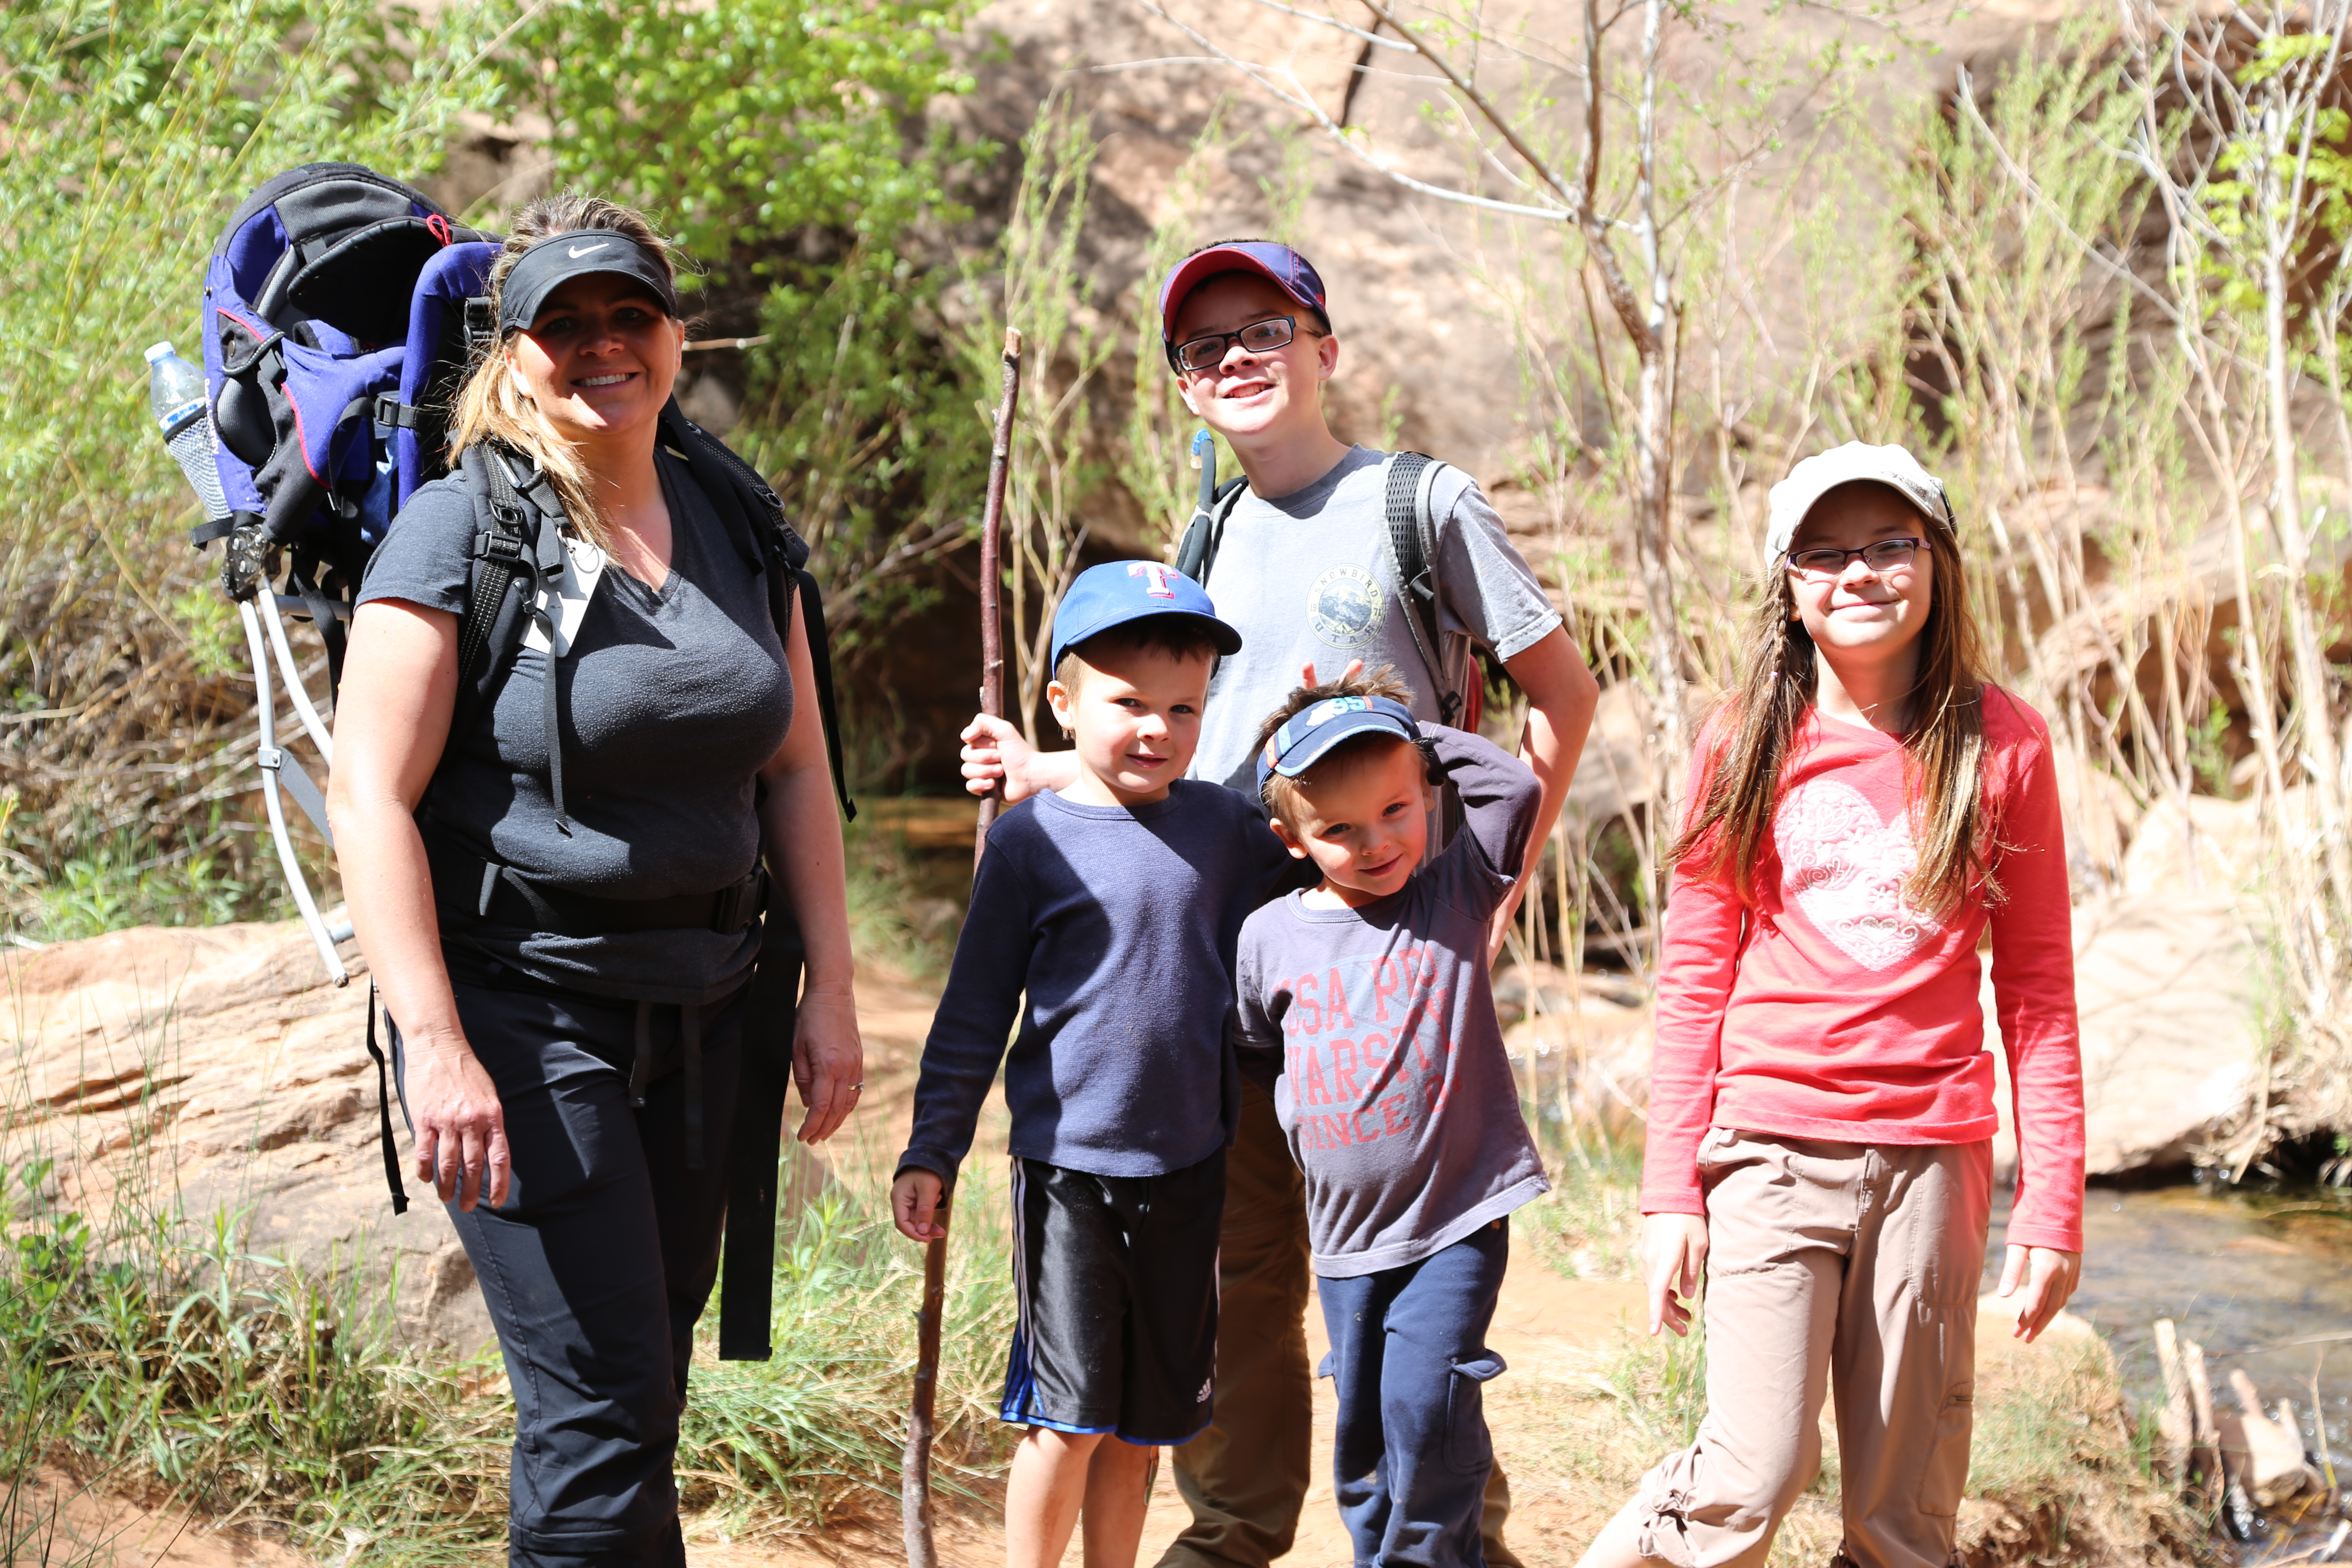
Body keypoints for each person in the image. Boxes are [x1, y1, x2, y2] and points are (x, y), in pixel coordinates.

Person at [961, 238, 1600, 1568]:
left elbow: (1565, 694)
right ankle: (1237, 1532)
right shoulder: (1211, 534)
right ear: (1186, 388)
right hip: (1232, 954)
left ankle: (1450, 1540)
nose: (1238, 359)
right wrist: (1048, 768)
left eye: (1266, 328)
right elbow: (1190, 746)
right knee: (1241, 1263)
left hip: (1386, 954)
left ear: (1326, 346)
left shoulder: (1419, 505)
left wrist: (1491, 885)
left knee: (1413, 1264)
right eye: (1205, 347)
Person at [327, 193, 863, 1568]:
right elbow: (369, 795)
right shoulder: (457, 534)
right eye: (562, 324)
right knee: (604, 1413)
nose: (602, 346)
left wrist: (832, 996)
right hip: (527, 1017)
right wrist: (437, 1047)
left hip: (710, 1011)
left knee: (635, 1394)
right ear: (510, 359)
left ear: (676, 337)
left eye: (631, 315)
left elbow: (798, 770)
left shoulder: (737, 516)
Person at [1574, 444, 2087, 1568]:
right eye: (1826, 553)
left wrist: (2053, 1201)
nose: (1860, 574)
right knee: (1749, 1476)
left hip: (1930, 1161)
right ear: (1789, 586)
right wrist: (1672, 1192)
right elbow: (1696, 973)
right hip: (1768, 1151)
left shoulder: (2004, 745)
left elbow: (2039, 986)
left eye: (1893, 544)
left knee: (1903, 1516)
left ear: (1941, 563)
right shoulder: (1745, 739)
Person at [893, 562, 1302, 1568]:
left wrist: (1343, 724)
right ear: (1063, 704)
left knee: (1145, 1422)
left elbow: (1330, 849)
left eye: (1184, 708)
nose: (1158, 728)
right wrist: (932, 1149)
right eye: (1129, 703)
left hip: (1192, 1166)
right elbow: (975, 1011)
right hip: (1071, 1172)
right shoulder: (1032, 844)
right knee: (1069, 1418)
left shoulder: (1227, 830)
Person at [1236, 669, 1551, 1567]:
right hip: (1344, 1237)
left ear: (1425, 796)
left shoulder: (1455, 896)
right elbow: (1258, 1051)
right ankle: (1388, 1552)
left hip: (1456, 1214)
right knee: (1364, 1426)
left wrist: (1401, 728)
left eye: (1397, 810)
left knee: (1431, 1396)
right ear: (1290, 838)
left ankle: (1423, 1558)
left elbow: (1514, 788)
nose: (1376, 844)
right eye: (1339, 829)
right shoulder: (1269, 937)